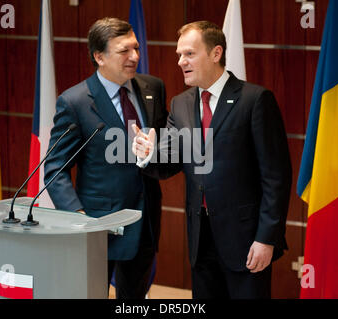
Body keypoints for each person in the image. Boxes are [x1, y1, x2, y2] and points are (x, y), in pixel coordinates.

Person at [132, 21, 292, 299]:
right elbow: (171, 161)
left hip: (246, 239)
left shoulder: (254, 100)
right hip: (200, 239)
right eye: (179, 55)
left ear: (216, 53)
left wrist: (267, 238)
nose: (181, 62)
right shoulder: (180, 104)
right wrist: (147, 155)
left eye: (190, 54)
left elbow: (276, 177)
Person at [44, 17, 168, 299]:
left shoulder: (153, 89)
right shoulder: (75, 102)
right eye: (124, 51)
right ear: (99, 56)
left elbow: (163, 146)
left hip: (145, 220)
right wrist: (79, 218)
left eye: (135, 48)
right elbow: (55, 168)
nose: (135, 56)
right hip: (98, 225)